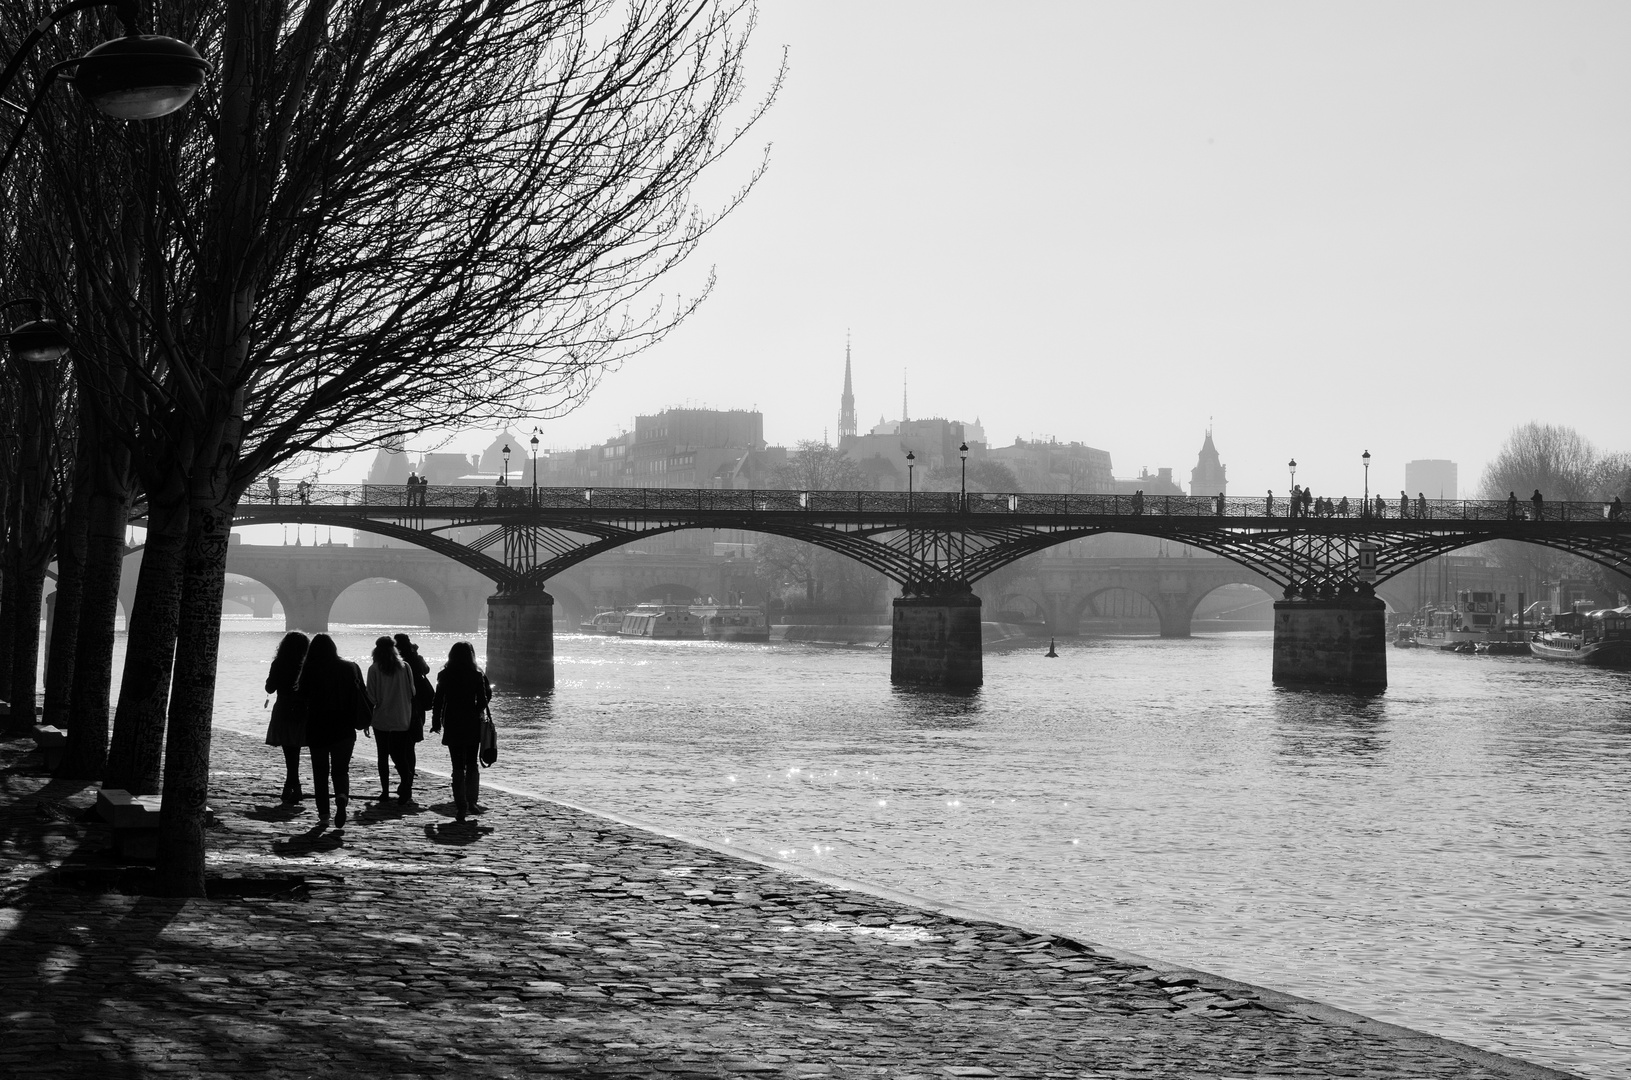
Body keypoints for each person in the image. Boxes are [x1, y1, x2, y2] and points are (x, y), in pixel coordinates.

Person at [295, 633, 363, 828]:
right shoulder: (350, 668)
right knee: (341, 770)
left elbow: (301, 696)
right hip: (344, 728)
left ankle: (324, 814)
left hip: (318, 727)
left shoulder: (310, 669)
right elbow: (360, 696)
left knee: (320, 772)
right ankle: (341, 797)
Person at [431, 641, 493, 823]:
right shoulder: (476, 675)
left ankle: (461, 807)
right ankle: (472, 801)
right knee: (472, 764)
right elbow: (483, 701)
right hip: (472, 723)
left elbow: (438, 701)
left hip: (452, 723)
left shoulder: (444, 675)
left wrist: (436, 723)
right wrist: (474, 709)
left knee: (457, 766)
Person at [367, 636, 417, 804]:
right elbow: (412, 692)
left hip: (381, 719)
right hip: (402, 717)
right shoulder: (405, 667)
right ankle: (406, 784)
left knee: (383, 755)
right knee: (400, 755)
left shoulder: (374, 669)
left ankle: (385, 791)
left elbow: (372, 698)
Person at [263, 631, 309, 804]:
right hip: (302, 710)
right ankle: (293, 785)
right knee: (296, 748)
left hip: (283, 708)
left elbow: (270, 688)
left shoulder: (279, 663)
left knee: (289, 750)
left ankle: (292, 784)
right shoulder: (307, 665)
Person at [393, 632, 434, 747]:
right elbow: (426, 670)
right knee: (412, 735)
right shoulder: (416, 658)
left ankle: (401, 760)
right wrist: (415, 652)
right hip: (417, 700)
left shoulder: (394, 661)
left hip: (399, 700)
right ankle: (409, 760)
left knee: (398, 736)